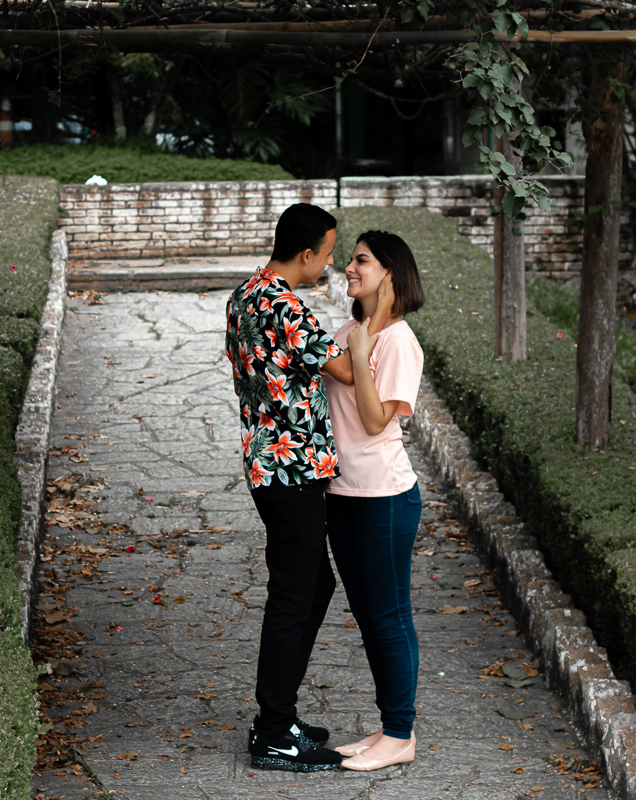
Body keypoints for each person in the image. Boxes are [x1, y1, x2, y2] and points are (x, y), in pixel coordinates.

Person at [224, 204, 390, 772]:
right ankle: (272, 731)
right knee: (296, 593)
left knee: (312, 584)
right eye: (328, 252)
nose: (332, 263)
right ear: (305, 254)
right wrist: (369, 330)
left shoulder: (244, 296)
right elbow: (344, 369)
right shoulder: (285, 304)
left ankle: (280, 714)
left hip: (266, 465)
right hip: (291, 471)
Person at [323, 229, 426, 772]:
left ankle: (401, 734)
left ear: (389, 270)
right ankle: (389, 726)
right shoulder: (350, 331)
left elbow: (373, 419)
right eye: (349, 260)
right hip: (342, 494)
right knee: (368, 615)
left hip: (385, 497)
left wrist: (362, 353)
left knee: (389, 616)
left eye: (361, 260)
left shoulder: (399, 342)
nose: (349, 268)